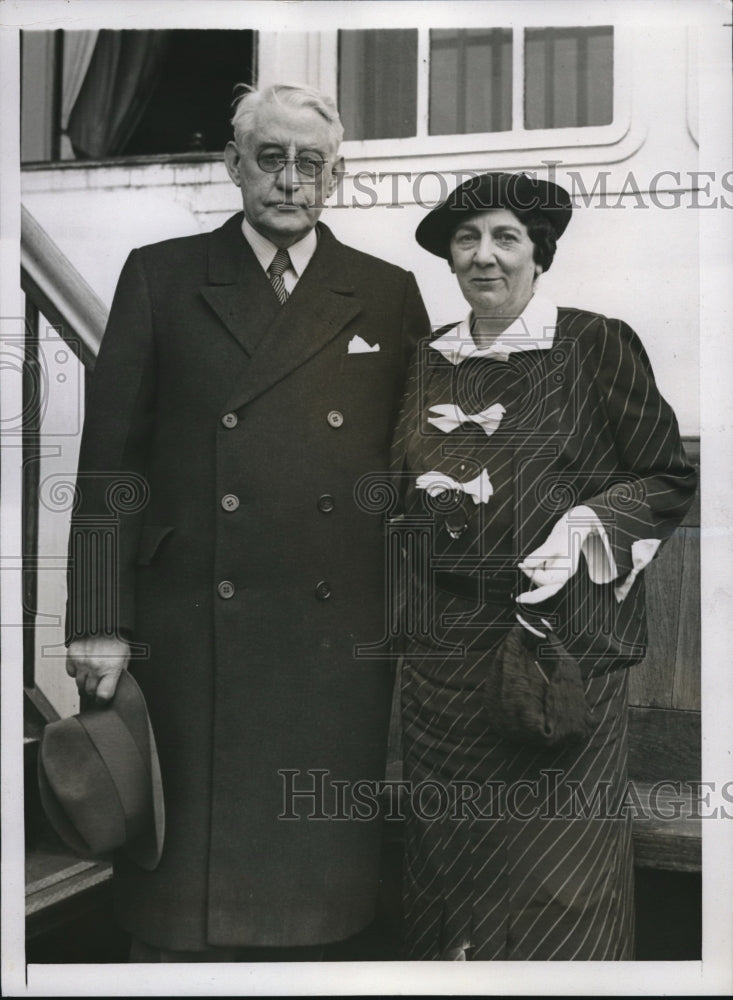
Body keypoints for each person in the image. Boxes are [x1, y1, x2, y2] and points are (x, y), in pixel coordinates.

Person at [64, 83, 430, 961]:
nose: (290, 180)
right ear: (233, 165)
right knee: (182, 885)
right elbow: (112, 465)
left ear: (334, 178)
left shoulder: (385, 293)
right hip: (189, 626)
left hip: (331, 632)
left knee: (315, 896)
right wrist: (97, 622)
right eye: (271, 158)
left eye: (311, 164)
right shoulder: (161, 273)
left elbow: (416, 469)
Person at [392, 172, 697, 960]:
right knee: (447, 872)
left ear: (539, 253)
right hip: (443, 663)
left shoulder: (594, 342)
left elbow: (666, 475)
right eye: (467, 239)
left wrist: (586, 521)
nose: (484, 257)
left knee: (557, 882)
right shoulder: (425, 358)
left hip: (559, 653)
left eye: (505, 238)